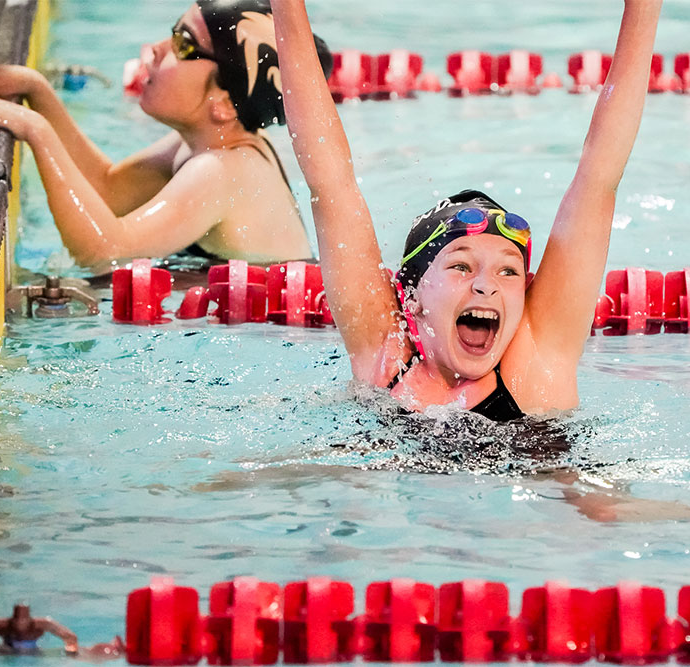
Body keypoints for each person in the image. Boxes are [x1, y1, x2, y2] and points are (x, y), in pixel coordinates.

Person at [269, 0, 663, 420]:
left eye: (508, 271)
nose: (485, 286)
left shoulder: (537, 365)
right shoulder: (384, 357)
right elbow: (330, 182)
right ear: (412, 297)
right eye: (461, 266)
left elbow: (599, 175)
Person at [0, 0, 333, 271]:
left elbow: (103, 252)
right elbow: (109, 192)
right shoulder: (210, 142)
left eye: (185, 45)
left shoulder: (222, 170)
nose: (158, 49)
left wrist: (36, 130)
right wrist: (38, 91)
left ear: (223, 102)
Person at [0, 604, 78, 655]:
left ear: (30, 620)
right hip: (6, 651)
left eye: (23, 620)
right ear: (13, 620)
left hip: (32, 653)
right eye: (18, 620)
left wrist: (70, 651)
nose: (20, 623)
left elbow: (70, 637)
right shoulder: (3, 625)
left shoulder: (42, 625)